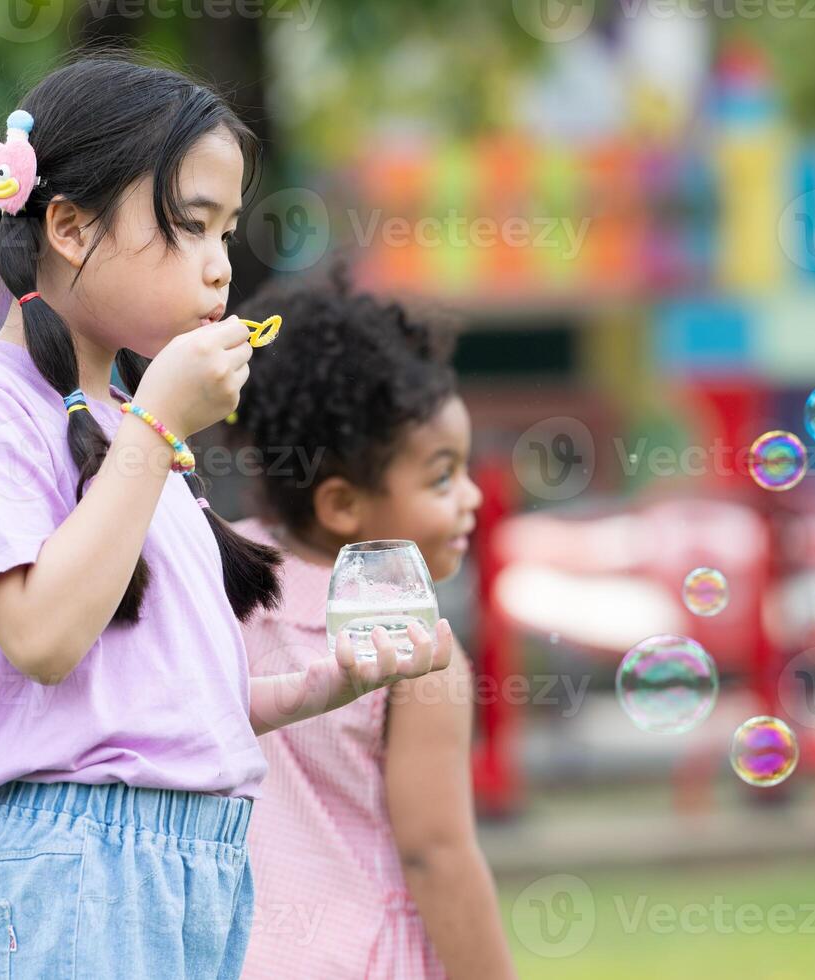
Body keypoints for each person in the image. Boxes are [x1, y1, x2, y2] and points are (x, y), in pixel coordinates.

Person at [0, 56, 453, 979]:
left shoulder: (132, 425)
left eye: (228, 232)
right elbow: (43, 637)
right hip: (72, 864)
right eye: (192, 226)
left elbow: (156, 705)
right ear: (70, 227)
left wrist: (325, 685)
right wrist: (158, 424)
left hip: (199, 858)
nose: (220, 266)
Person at [231, 267, 516, 978]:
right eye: (442, 476)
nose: (472, 497)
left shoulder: (211, 578)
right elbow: (437, 853)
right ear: (342, 506)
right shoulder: (418, 647)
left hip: (223, 952)